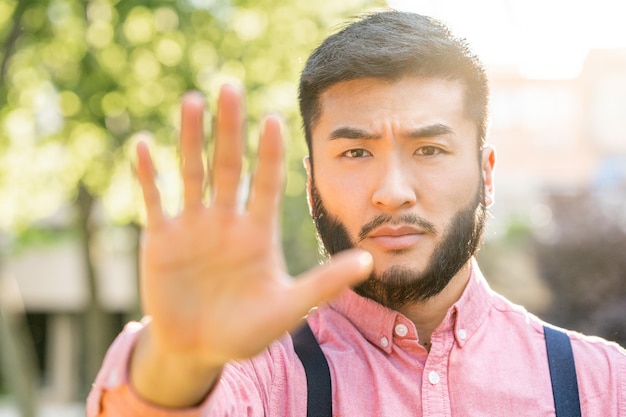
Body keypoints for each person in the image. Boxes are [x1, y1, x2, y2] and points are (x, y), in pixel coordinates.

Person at [87, 10, 626, 416]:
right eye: (355, 152)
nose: (392, 192)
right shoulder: (259, 378)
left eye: (429, 150)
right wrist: (180, 359)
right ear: (311, 182)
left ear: (486, 172)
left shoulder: (601, 384)